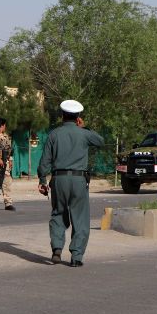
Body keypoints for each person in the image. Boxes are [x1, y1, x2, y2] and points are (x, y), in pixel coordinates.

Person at [37, 100, 104, 267]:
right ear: (78, 117)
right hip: (78, 180)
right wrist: (85, 128)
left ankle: (57, 250)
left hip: (58, 180)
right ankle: (76, 256)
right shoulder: (84, 134)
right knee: (80, 218)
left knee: (58, 214)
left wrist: (42, 180)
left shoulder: (54, 134)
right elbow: (100, 141)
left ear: (62, 116)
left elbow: (45, 161)